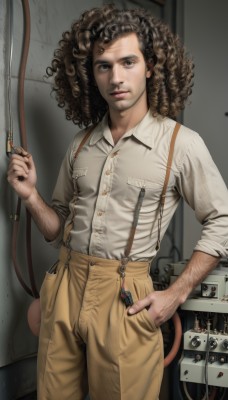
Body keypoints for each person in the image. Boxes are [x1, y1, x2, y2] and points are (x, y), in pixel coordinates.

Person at [7, 4, 228, 400]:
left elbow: (222, 219)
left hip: (125, 296)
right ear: (90, 75)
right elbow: (55, 229)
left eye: (128, 61)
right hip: (65, 286)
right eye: (103, 66)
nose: (116, 77)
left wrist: (175, 294)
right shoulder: (80, 145)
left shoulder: (181, 144)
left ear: (150, 67)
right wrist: (31, 196)